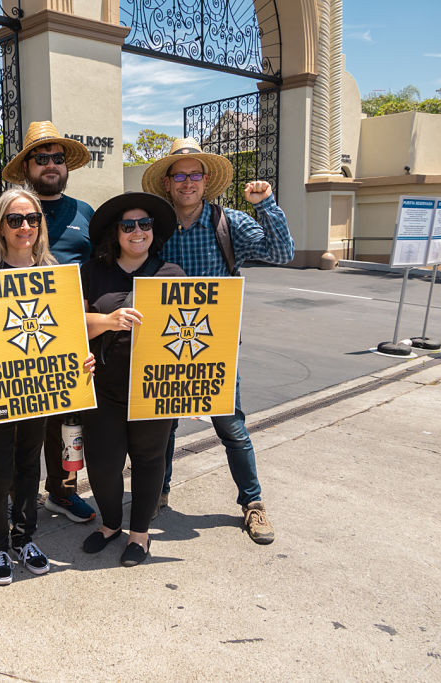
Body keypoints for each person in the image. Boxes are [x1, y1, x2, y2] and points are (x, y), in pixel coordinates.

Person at [140, 137, 294, 545]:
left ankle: (253, 503)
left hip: (215, 346)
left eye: (195, 174)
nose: (187, 182)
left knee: (231, 425)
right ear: (168, 183)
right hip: (163, 342)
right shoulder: (155, 227)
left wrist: (266, 205)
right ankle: (159, 491)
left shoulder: (231, 223)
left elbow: (282, 254)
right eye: (180, 175)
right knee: (163, 423)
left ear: (205, 180)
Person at [0, 120, 98, 525]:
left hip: (63, 342)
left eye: (56, 158)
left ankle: (62, 493)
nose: (49, 164)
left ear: (66, 165)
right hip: (12, 342)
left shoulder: (85, 214)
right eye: (40, 158)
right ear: (27, 167)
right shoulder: (2, 213)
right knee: (15, 440)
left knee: (66, 429)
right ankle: (15, 501)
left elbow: (97, 275)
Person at [80, 192, 184, 566]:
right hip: (103, 387)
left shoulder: (172, 274)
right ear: (116, 232)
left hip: (154, 388)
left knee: (149, 459)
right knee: (104, 464)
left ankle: (139, 535)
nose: (137, 231)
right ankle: (110, 525)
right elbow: (70, 326)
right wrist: (108, 321)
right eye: (128, 225)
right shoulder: (92, 273)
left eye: (145, 224)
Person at [0, 189, 58, 585]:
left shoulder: (52, 269)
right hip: (1, 385)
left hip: (40, 384)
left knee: (29, 465)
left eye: (32, 218)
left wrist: (81, 358)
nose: (25, 227)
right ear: (0, 225)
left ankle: (25, 538)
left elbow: (64, 328)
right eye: (15, 219)